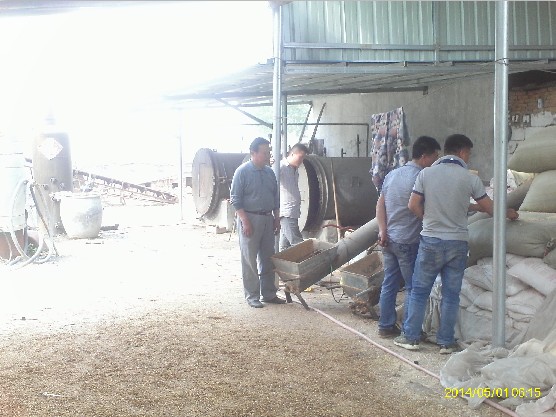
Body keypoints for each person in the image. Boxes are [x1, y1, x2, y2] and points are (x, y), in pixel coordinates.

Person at [394, 134, 519, 353]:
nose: (469, 157)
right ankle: (446, 342)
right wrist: (509, 213)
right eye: (469, 153)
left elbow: (413, 204)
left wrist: (428, 219)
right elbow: (490, 209)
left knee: (420, 291)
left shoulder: (426, 173)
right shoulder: (470, 179)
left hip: (431, 241)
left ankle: (411, 337)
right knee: (451, 295)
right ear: (462, 152)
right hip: (457, 243)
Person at [376, 136, 441, 338]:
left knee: (390, 283)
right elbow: (419, 206)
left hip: (390, 239)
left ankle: (385, 326)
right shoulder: (422, 177)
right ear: (424, 157)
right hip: (408, 242)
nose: (435, 162)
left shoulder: (393, 174)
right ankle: (409, 330)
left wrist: (382, 230)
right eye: (434, 157)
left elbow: (380, 205)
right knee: (414, 287)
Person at [230, 137, 286, 308]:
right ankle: (252, 295)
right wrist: (245, 221)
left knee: (268, 257)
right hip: (250, 218)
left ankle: (269, 293)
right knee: (249, 258)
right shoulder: (242, 172)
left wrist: (276, 218)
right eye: (265, 152)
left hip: (268, 218)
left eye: (269, 151)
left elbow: (275, 198)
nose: (268, 155)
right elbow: (235, 199)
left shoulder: (270, 173)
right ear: (253, 153)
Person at [279, 143, 309, 252]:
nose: (301, 161)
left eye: (303, 158)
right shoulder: (280, 167)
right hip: (286, 212)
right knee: (298, 244)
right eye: (300, 157)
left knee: (284, 246)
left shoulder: (295, 169)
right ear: (292, 154)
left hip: (293, 212)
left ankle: (281, 267)